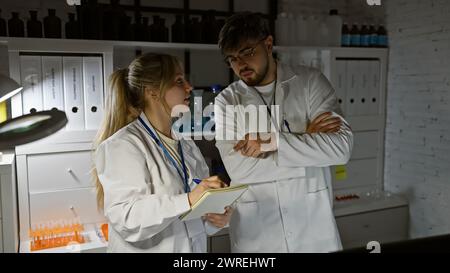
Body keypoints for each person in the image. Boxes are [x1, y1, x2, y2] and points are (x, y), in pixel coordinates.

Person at [214, 12, 353, 253]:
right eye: (232, 59)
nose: (240, 65)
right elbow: (239, 168)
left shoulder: (310, 82)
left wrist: (271, 143)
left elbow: (340, 149)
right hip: (257, 236)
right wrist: (307, 143)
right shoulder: (226, 101)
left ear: (268, 44)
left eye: (247, 52)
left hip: (313, 232)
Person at [92, 53, 233, 253]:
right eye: (178, 81)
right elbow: (127, 218)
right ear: (153, 92)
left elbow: (192, 214)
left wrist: (216, 219)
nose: (189, 87)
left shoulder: (186, 145)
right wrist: (189, 199)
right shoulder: (122, 145)